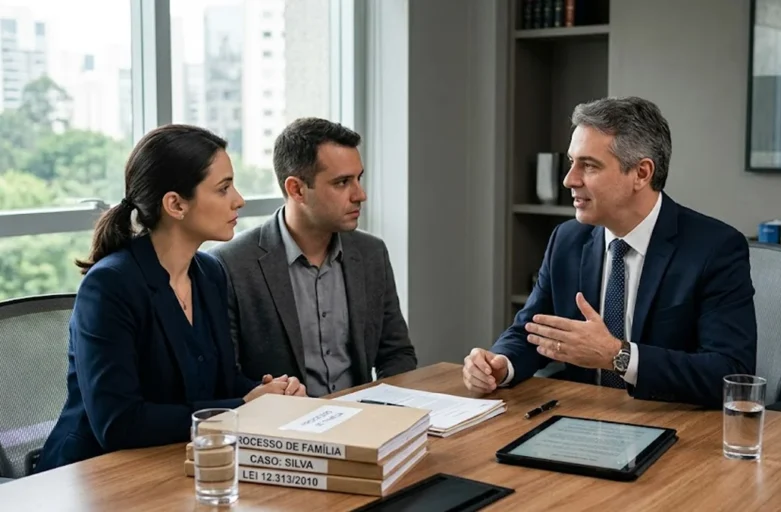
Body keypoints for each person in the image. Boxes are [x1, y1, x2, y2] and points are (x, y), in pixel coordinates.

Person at [36, 125, 305, 473]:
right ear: (176, 204)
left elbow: (222, 383)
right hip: (93, 475)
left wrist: (270, 393)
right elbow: (118, 423)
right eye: (223, 188)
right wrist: (243, 406)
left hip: (176, 460)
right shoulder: (109, 286)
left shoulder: (209, 273)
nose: (239, 200)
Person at [463, 96, 757, 408]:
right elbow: (533, 331)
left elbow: (730, 372)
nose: (569, 180)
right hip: (581, 418)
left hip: (671, 422)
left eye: (589, 165)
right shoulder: (566, 240)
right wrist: (500, 364)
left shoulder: (715, 248)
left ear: (641, 173)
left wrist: (618, 356)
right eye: (572, 162)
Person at [211, 117, 417, 398]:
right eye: (342, 182)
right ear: (296, 189)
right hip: (282, 422)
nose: (360, 195)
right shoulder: (230, 265)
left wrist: (384, 407)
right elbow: (227, 379)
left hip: (364, 415)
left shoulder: (371, 253)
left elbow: (397, 354)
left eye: (358, 178)